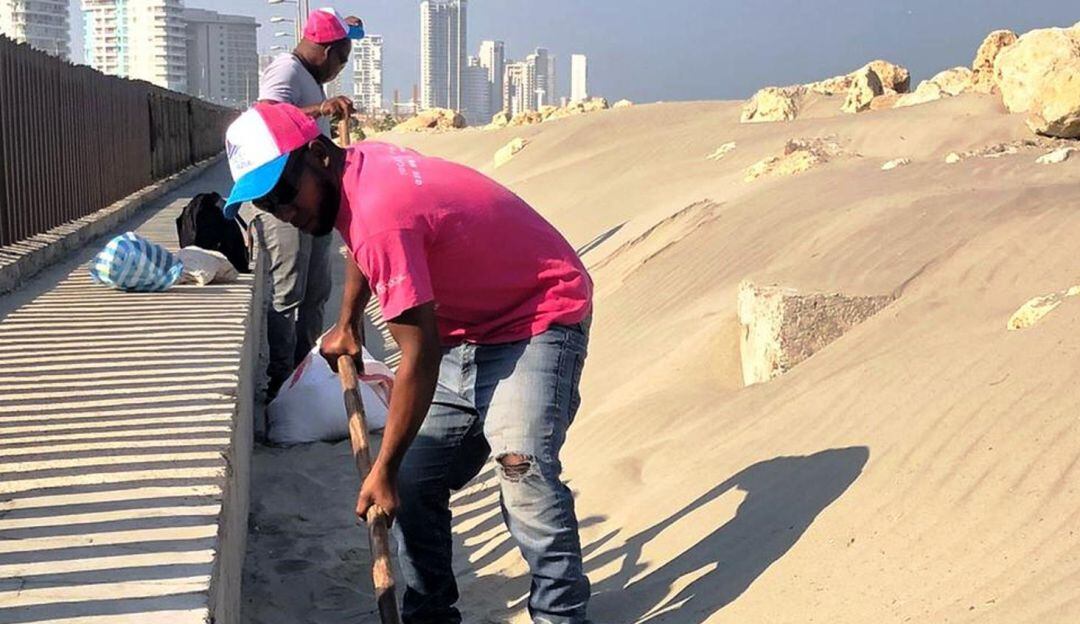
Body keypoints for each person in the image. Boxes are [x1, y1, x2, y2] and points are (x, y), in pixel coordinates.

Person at [222, 102, 594, 624]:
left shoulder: (381, 214)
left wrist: (384, 469)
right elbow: (361, 245)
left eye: (285, 193)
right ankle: (430, 617)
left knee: (521, 467)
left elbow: (419, 353)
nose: (285, 212)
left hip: (536, 316)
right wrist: (348, 321)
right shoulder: (362, 166)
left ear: (317, 154)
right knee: (419, 484)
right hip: (468, 328)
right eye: (267, 204)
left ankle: (561, 618)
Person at [255, 7, 363, 395]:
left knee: (316, 290)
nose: (339, 70)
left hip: (314, 198)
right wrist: (320, 108)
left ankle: (305, 372)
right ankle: (281, 382)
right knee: (289, 290)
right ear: (327, 49)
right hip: (287, 199)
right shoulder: (286, 70)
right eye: (341, 60)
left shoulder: (310, 78)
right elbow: (268, 115)